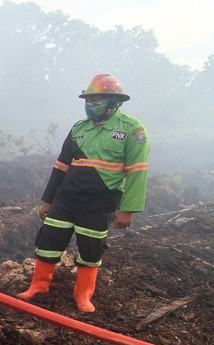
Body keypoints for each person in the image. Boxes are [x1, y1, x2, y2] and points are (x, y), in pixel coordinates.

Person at [17, 74, 150, 313]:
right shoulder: (79, 128)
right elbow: (61, 166)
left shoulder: (132, 130)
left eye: (96, 99)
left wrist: (128, 210)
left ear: (114, 101)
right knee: (49, 240)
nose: (90, 104)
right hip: (67, 197)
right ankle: (38, 287)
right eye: (88, 100)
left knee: (91, 247)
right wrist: (48, 201)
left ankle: (83, 295)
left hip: (101, 200)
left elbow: (137, 172)